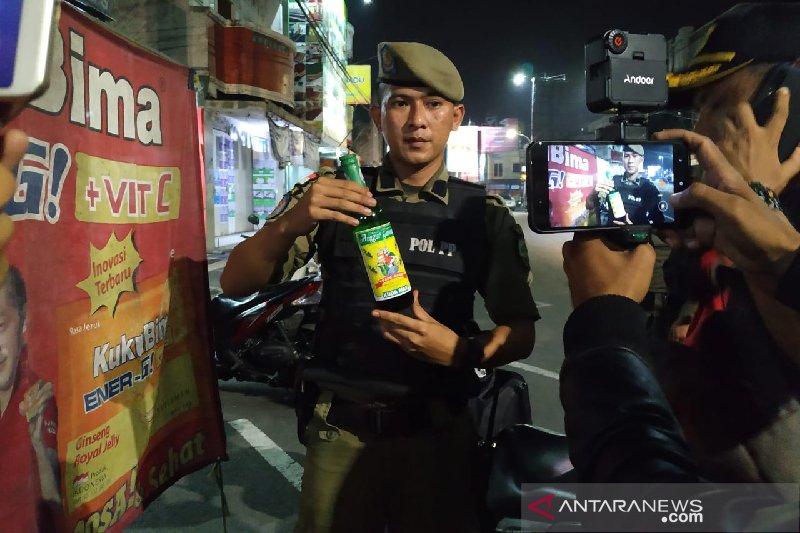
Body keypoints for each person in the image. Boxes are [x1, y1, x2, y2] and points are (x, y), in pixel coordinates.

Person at [221, 41, 539, 533]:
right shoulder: (335, 195)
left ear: (456, 117)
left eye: (432, 105)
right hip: (339, 434)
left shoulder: (484, 216)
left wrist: (463, 350)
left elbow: (521, 331)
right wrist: (292, 222)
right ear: (378, 113)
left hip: (441, 437)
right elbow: (236, 280)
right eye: (401, 102)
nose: (417, 120)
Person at [639, 1, 800, 484]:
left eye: (717, 104)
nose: (701, 128)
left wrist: (758, 212)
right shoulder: (711, 215)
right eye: (696, 108)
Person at [0, 265, 61, 532]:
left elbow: (53, 505)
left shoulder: (34, 395)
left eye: (0, 326)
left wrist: (36, 445)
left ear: (23, 322)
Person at [592, 144, 664, 225]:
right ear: (623, 159)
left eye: (634, 156)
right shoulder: (612, 182)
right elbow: (593, 205)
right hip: (612, 233)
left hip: (637, 236)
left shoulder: (649, 188)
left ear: (641, 159)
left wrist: (634, 229)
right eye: (627, 156)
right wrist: (594, 194)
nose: (630, 161)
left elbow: (659, 222)